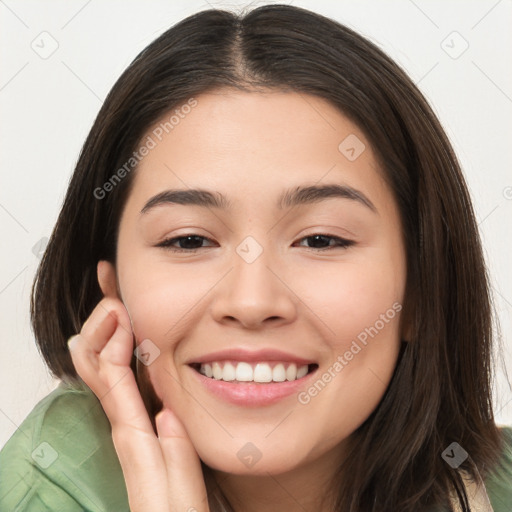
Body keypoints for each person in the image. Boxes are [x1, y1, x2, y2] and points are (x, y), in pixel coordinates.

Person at [0, 4, 510, 511]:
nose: (251, 301)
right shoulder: (42, 492)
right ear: (114, 295)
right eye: (189, 241)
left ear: (420, 291)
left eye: (320, 240)